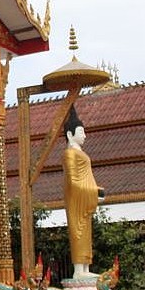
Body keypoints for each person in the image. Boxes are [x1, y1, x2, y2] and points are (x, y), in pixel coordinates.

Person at [62, 106, 105, 277]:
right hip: (76, 198)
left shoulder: (80, 152)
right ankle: (79, 270)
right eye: (81, 132)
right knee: (78, 230)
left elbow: (85, 177)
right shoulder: (69, 154)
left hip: (85, 197)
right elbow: (72, 181)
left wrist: (95, 191)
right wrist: (92, 191)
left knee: (86, 231)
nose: (84, 136)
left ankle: (85, 267)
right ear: (70, 134)